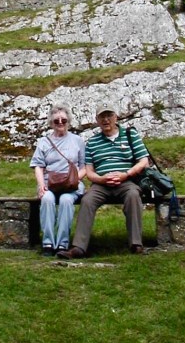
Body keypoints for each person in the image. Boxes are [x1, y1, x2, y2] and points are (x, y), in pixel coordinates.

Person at [57, 102, 149, 259]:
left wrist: (126, 174)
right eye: (102, 117)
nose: (106, 120)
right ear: (97, 120)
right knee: (87, 200)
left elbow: (143, 161)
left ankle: (136, 244)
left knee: (133, 195)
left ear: (116, 117)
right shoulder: (92, 142)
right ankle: (78, 247)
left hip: (126, 181)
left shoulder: (130, 135)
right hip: (100, 184)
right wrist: (102, 179)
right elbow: (89, 171)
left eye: (109, 116)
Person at [30, 103, 86, 256]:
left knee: (66, 200)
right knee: (47, 199)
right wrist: (41, 185)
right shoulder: (44, 142)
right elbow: (38, 166)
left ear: (68, 121)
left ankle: (62, 243)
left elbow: (84, 166)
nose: (60, 123)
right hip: (50, 183)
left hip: (72, 185)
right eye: (56, 121)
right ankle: (48, 243)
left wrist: (74, 180)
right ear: (51, 123)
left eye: (63, 120)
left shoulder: (77, 141)